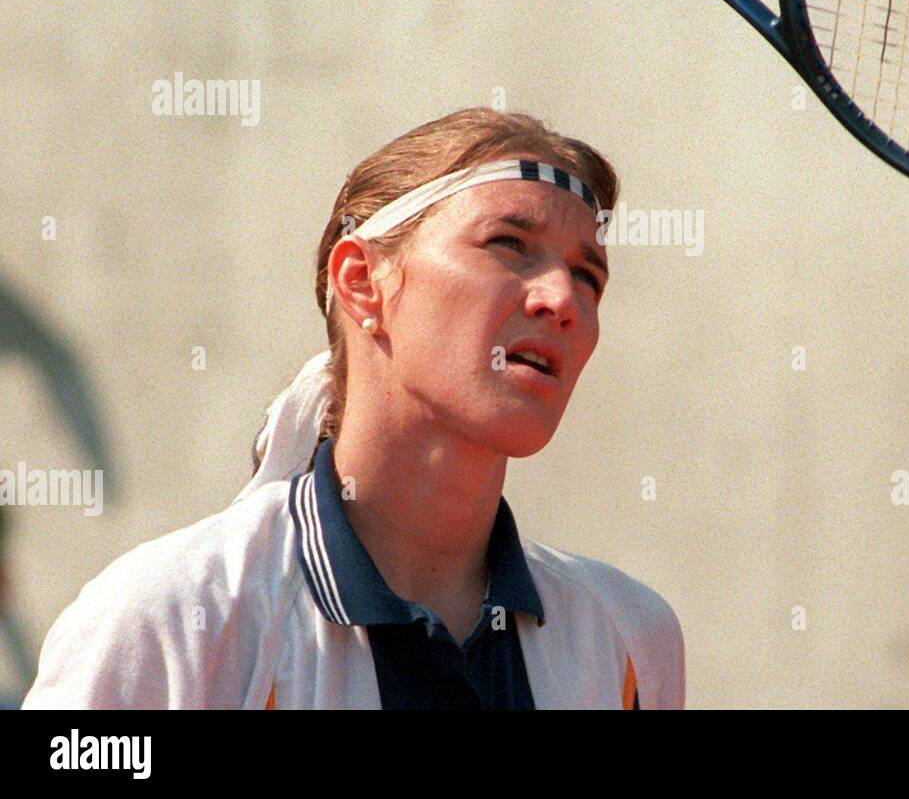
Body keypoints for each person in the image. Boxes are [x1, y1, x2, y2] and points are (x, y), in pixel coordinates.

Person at [23, 108, 685, 709]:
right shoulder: (172, 618)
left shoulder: (630, 637)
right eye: (509, 244)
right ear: (362, 281)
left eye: (588, 275)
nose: (562, 299)